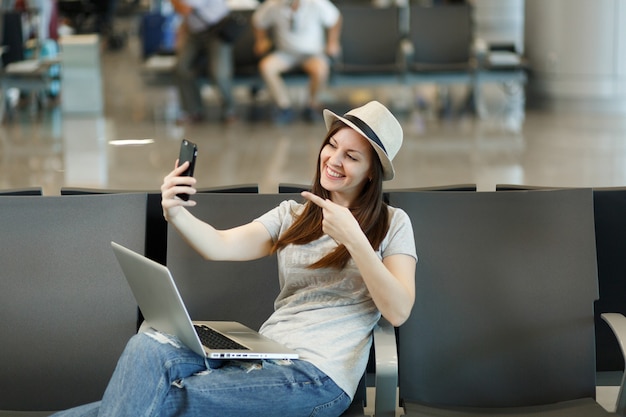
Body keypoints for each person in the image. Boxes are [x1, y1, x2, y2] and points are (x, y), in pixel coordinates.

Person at [50, 100, 416, 417]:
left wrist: (355, 240)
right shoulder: (293, 215)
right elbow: (219, 245)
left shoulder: (392, 223)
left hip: (317, 377)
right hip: (262, 359)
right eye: (331, 146)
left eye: (351, 156)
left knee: (158, 400)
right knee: (148, 345)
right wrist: (174, 212)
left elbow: (397, 310)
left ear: (371, 173)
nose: (334, 160)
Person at [252, 0, 342, 124]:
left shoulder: (316, 3)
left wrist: (333, 42)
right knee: (266, 66)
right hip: (286, 54)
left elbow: (335, 18)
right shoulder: (273, 5)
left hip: (312, 53)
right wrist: (261, 40)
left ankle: (312, 106)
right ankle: (284, 106)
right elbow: (258, 20)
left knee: (321, 69)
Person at [171, 0, 236, 124]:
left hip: (218, 30)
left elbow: (185, 8)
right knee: (181, 68)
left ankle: (230, 110)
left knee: (219, 73)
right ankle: (193, 111)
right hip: (194, 32)